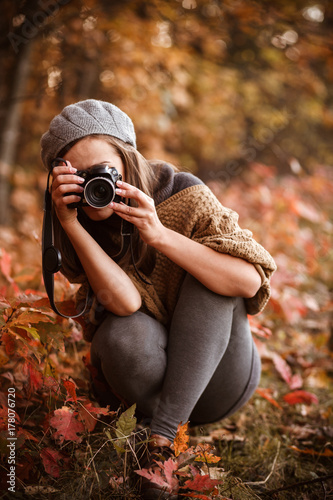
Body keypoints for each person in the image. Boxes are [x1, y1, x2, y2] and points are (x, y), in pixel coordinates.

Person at [41, 99, 276, 499]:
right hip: (146, 386)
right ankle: (158, 436)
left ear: (128, 161)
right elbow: (125, 304)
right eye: (78, 176)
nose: (94, 186)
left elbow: (248, 282)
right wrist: (68, 222)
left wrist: (160, 235)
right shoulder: (71, 217)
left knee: (212, 275)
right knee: (118, 334)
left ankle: (161, 444)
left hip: (221, 380)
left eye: (103, 173)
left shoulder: (182, 192)